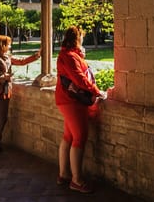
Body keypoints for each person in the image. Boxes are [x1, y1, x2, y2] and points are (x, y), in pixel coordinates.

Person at [55, 26, 106, 194]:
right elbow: (79, 78)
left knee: (68, 136)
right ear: (77, 38)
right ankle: (76, 180)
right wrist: (97, 91)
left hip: (67, 100)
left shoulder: (69, 54)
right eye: (81, 37)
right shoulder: (69, 56)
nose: (83, 39)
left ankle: (64, 174)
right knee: (80, 137)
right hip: (72, 102)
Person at [0, 35, 40, 155]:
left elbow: (21, 62)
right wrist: (0, 79)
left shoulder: (7, 57)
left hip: (4, 93)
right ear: (2, 46)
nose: (10, 46)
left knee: (0, 120)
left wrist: (36, 56)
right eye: (8, 44)